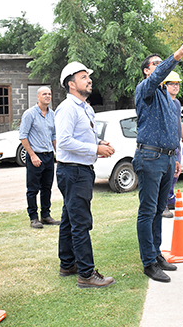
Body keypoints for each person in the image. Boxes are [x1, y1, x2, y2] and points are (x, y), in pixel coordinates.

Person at [134, 41, 183, 283]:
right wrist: (177, 55)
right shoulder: (145, 89)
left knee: (160, 210)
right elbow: (158, 75)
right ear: (147, 71)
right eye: (156, 64)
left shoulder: (168, 98)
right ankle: (148, 262)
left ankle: (157, 254)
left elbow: (173, 129)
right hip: (150, 157)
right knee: (147, 211)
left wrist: (175, 156)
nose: (161, 68)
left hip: (167, 159)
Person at [55, 61, 116, 288]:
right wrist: (94, 149)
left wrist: (98, 142)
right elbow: (64, 141)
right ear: (71, 84)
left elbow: (80, 136)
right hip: (73, 171)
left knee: (69, 219)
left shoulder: (85, 107)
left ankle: (68, 263)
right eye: (83, 77)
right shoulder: (67, 108)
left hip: (79, 170)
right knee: (80, 222)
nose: (89, 80)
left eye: (88, 77)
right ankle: (86, 274)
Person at [19, 86, 59, 229]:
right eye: (44, 94)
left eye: (49, 94)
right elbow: (23, 136)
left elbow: (54, 135)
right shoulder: (30, 114)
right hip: (35, 156)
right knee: (32, 189)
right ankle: (34, 218)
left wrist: (57, 153)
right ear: (38, 97)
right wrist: (32, 155)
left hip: (48, 156)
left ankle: (46, 215)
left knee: (47, 187)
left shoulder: (52, 115)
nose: (47, 96)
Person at [161, 71, 183, 219]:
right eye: (172, 84)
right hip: (166, 146)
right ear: (165, 85)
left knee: (175, 172)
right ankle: (162, 205)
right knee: (165, 174)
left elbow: (179, 122)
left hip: (176, 144)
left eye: (177, 84)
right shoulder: (163, 102)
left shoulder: (177, 103)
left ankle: (171, 199)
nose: (175, 86)